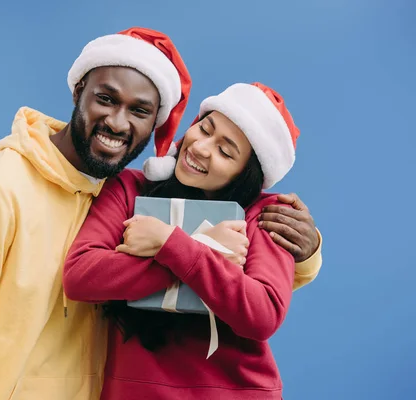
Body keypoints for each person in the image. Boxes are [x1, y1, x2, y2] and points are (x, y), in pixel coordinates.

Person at [0, 26, 321, 400]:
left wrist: (306, 253)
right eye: (106, 99)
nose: (117, 122)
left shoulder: (104, 181)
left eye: (139, 111)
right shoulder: (1, 187)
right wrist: (194, 248)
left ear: (156, 125)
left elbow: (260, 298)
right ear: (79, 89)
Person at [63, 82, 320, 399]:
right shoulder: (130, 188)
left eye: (226, 151)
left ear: (246, 173)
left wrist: (170, 243)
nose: (200, 148)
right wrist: (204, 248)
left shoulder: (265, 214)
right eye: (204, 129)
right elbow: (80, 277)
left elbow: (261, 315)